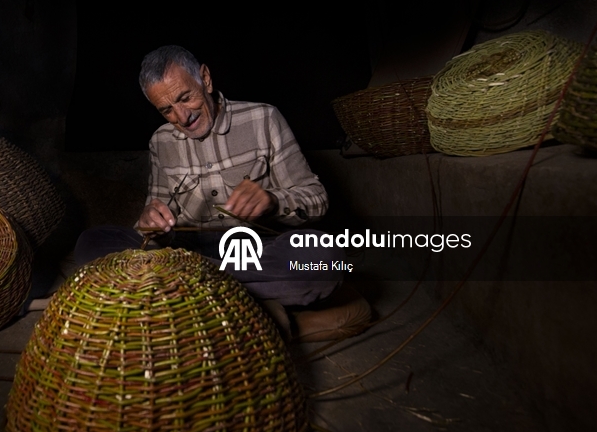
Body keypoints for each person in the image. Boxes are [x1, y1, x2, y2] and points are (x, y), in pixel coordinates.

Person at [69, 45, 371, 342]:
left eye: (185, 98)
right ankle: (245, 302)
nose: (182, 116)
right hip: (184, 256)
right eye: (166, 110)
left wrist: (273, 201)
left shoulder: (263, 119)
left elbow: (316, 198)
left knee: (324, 259)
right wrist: (150, 223)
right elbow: (154, 224)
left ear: (206, 79)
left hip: (254, 255)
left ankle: (190, 298)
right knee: (91, 244)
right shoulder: (160, 141)